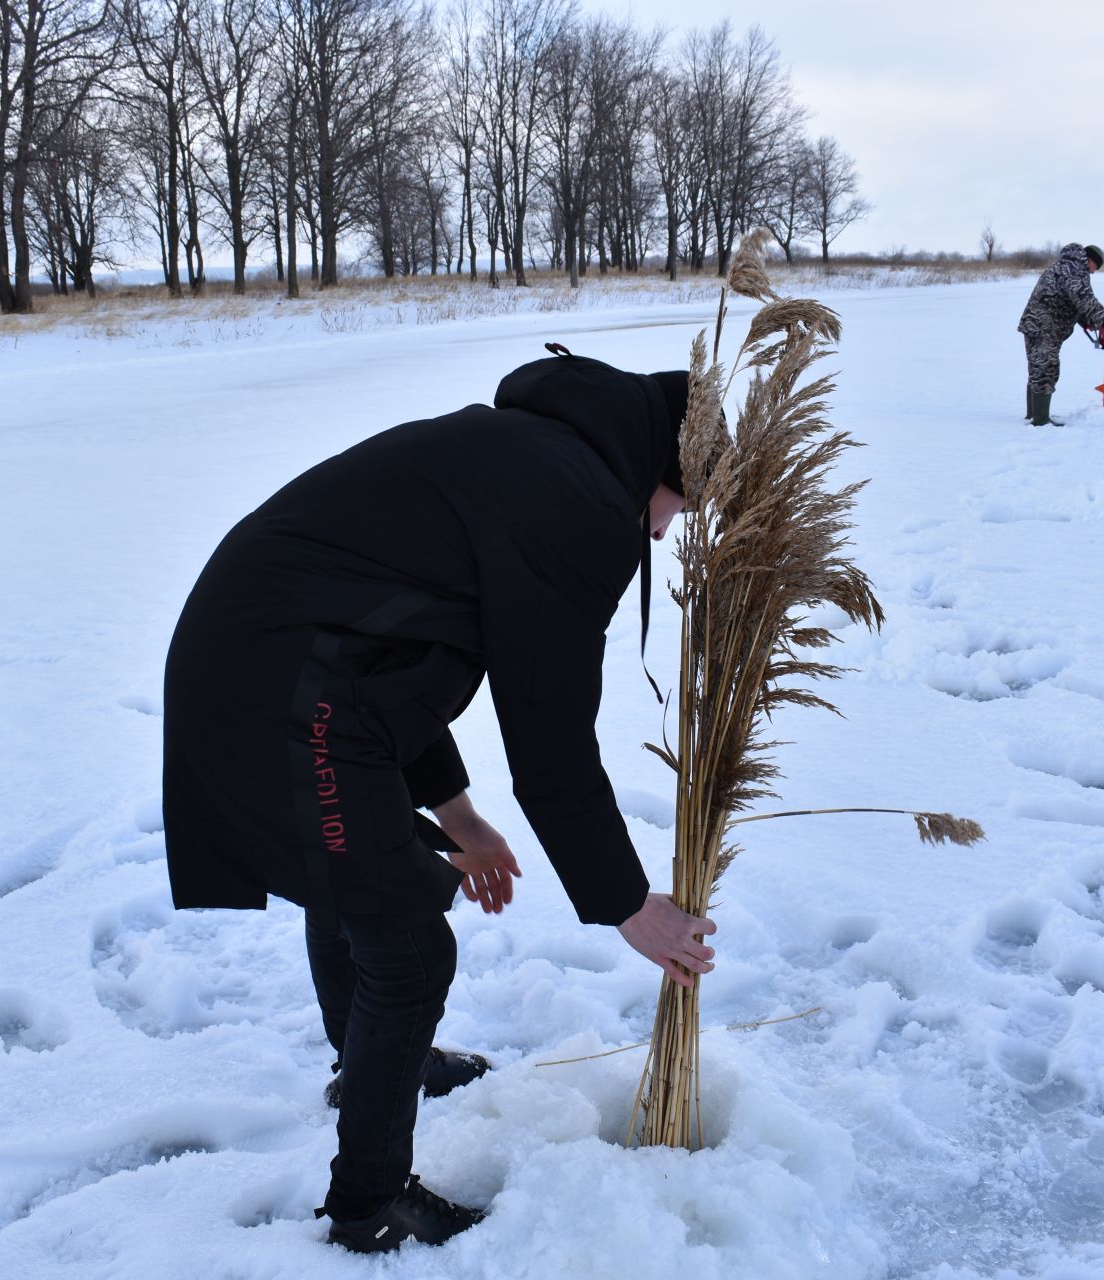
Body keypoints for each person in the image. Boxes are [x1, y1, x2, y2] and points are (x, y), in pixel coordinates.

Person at [161, 348, 720, 1253]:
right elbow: (552, 744)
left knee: (359, 886)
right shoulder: (579, 503)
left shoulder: (529, 452)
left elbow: (398, 651)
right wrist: (627, 905)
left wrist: (458, 818)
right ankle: (368, 1204)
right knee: (411, 946)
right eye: (682, 508)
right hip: (280, 686)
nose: (664, 534)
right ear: (672, 469)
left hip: (272, 663)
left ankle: (376, 1067)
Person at [1017, 241, 1104, 426]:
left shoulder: (1064, 266)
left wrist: (1091, 321)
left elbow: (1072, 303)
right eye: (1095, 267)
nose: (1093, 272)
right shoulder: (1074, 269)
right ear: (1090, 260)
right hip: (1044, 326)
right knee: (1046, 369)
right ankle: (1040, 421)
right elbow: (1084, 299)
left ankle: (1033, 415)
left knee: (1037, 368)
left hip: (1035, 324)